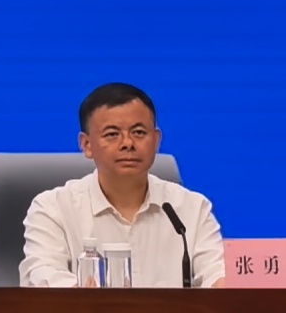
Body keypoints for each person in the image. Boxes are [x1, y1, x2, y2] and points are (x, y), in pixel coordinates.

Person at [19, 81, 225, 288]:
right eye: (112, 134)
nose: (128, 143)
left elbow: (217, 274)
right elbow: (42, 273)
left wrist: (224, 283)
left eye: (139, 132)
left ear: (156, 140)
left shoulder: (192, 209)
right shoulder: (53, 208)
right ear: (86, 144)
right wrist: (82, 296)